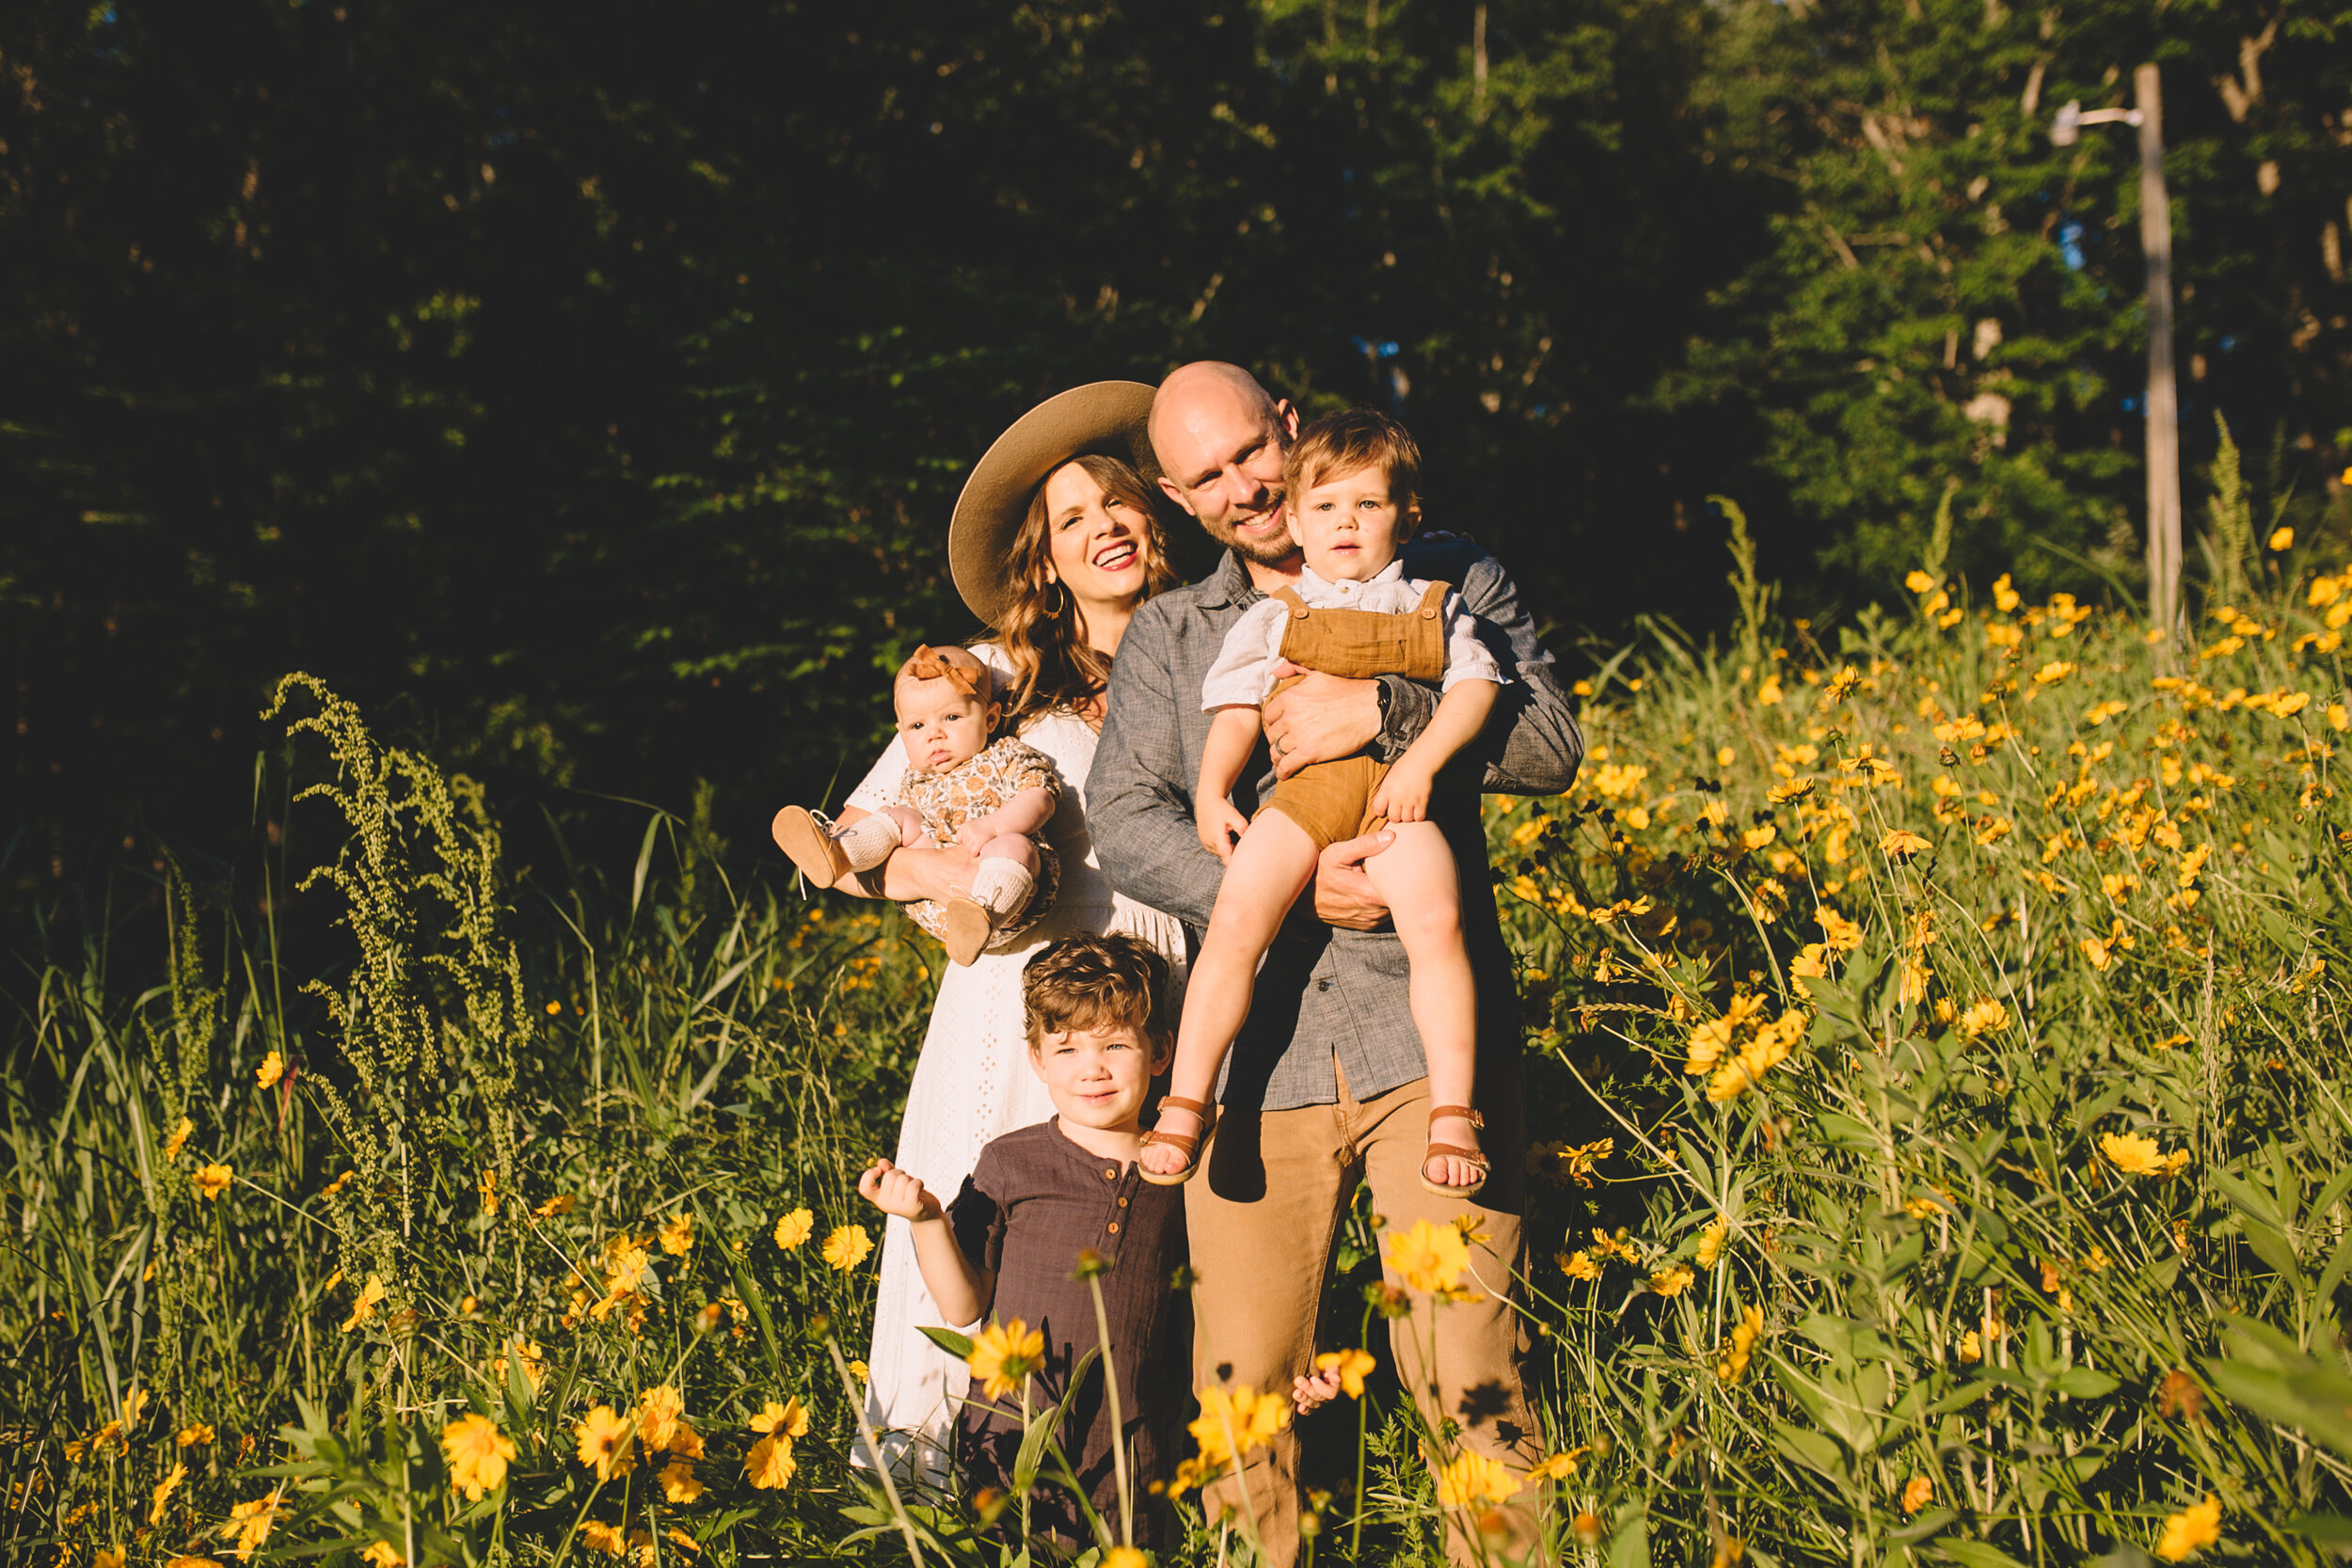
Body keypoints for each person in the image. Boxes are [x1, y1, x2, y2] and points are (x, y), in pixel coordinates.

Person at [1088, 362, 1584, 1564]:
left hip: (1429, 1052)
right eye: (1206, 476)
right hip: (1258, 1066)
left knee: (1475, 1381)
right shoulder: (1172, 631)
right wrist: (1288, 881)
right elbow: (1126, 816)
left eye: (1254, 451)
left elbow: (1552, 741)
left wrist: (1387, 718)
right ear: (1175, 494)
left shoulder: (1447, 567)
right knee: (1243, 1398)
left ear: (1292, 430)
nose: (1243, 487)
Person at [824, 382, 1188, 1484]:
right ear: (1046, 558)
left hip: (1162, 992)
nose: (1104, 529)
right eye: (1073, 519)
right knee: (980, 1221)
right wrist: (951, 874)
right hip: (1016, 997)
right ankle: (944, 1490)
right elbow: (857, 848)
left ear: (1153, 519)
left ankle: (1111, 1491)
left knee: (1127, 1260)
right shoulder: (994, 675)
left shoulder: (1208, 647)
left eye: (1117, 504)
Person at [1140, 409, 1503, 1199]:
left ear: (1406, 514)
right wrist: (1209, 792)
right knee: (1237, 918)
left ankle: (1452, 1108)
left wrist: (1420, 761)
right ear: (1296, 522)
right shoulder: (1276, 615)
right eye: (1327, 508)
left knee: (1439, 924)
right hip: (1308, 802)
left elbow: (1476, 689)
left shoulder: (1439, 602)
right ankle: (1186, 1099)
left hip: (1401, 804)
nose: (1346, 523)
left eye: (1367, 506)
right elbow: (1236, 709)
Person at [856, 934, 1189, 1547]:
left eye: (1115, 1043)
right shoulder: (1013, 1162)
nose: (1092, 1067)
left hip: (1134, 1456)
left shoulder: (1181, 1169)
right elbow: (963, 1306)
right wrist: (927, 1219)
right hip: (1010, 1448)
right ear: (1036, 1059)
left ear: (1161, 1051)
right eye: (1066, 1048)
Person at [772, 643, 1061, 966]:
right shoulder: (914, 779)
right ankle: (840, 853)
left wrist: (993, 827)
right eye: (917, 726)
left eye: (951, 717)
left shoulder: (1004, 756)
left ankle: (982, 913)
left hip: (1011, 898)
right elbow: (906, 833)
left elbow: (1040, 798)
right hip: (940, 906)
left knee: (1015, 844)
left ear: (991, 718)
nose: (934, 735)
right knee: (897, 817)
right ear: (901, 734)